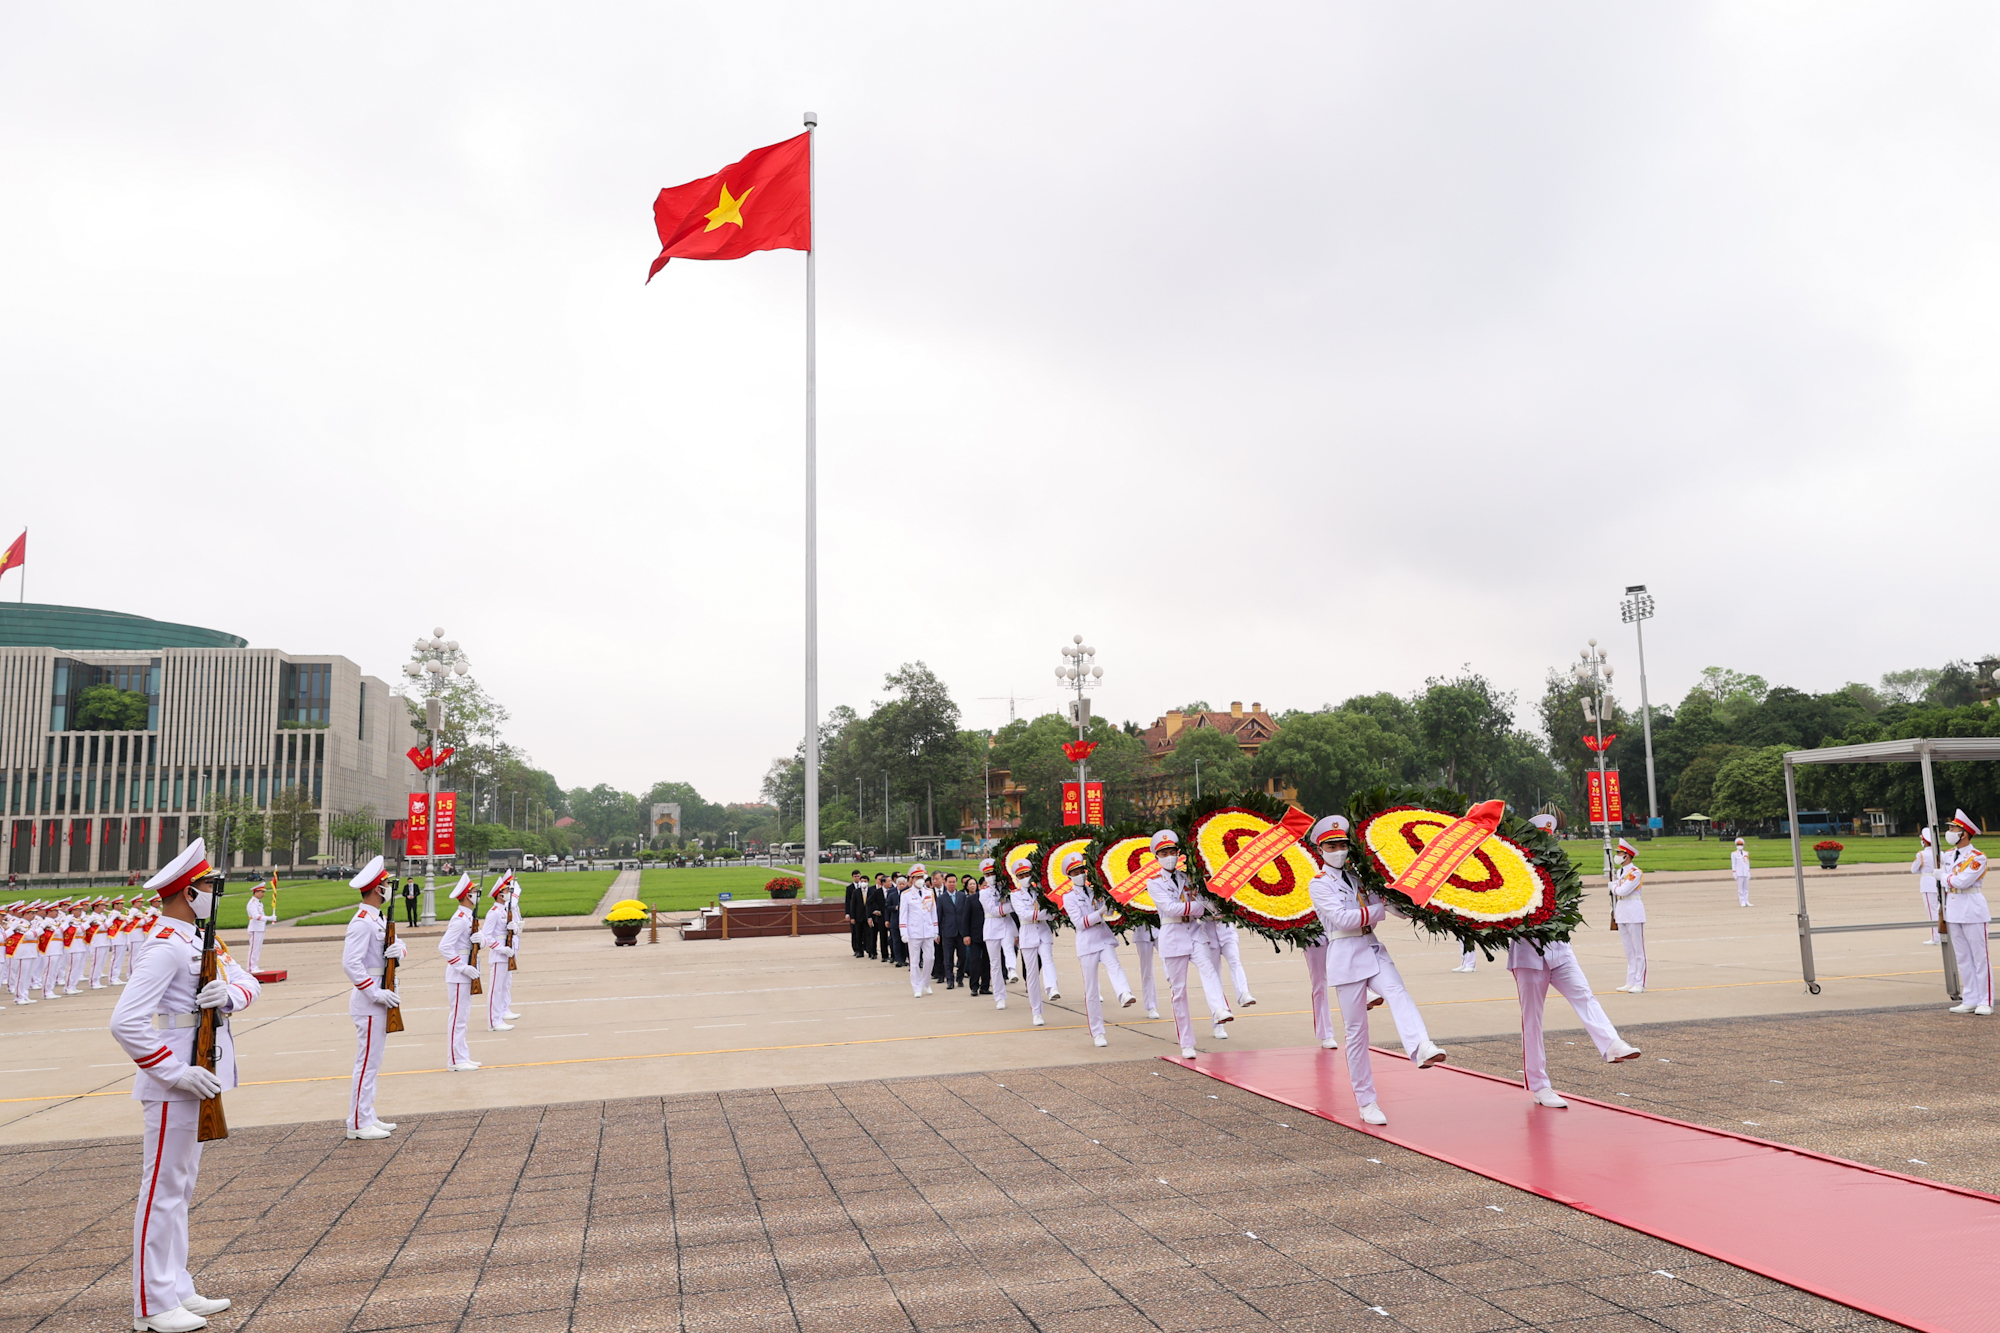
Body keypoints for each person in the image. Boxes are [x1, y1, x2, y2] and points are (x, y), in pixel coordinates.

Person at [109, 839, 261, 1331]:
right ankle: (151, 1305)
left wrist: (231, 994)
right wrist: (173, 1073)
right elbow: (126, 1022)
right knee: (161, 1189)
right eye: (212, 887)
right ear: (188, 892)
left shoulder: (204, 940)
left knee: (181, 1187)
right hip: (176, 1080)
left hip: (202, 1073)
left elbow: (250, 982)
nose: (218, 894)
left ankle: (176, 1286)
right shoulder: (165, 946)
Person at [1306, 815, 1446, 1126]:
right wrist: (1379, 909)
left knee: (1397, 992)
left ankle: (1421, 1047)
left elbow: (1388, 904)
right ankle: (1366, 1101)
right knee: (1357, 1035)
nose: (1339, 850)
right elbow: (1343, 919)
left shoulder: (1358, 878)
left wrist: (1417, 907)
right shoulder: (1318, 885)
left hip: (1372, 947)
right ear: (1320, 849)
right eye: (1332, 845)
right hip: (1345, 956)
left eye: (1343, 844)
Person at [1510, 815, 1641, 1107]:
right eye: (1542, 838)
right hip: (1528, 952)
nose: (1549, 843)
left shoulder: (1562, 870)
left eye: (1551, 837)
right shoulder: (1514, 870)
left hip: (1560, 949)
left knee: (1584, 994)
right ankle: (1540, 1086)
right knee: (1532, 1021)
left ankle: (1612, 1044)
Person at [340, 856, 407, 1141]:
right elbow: (350, 963)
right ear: (377, 889)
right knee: (366, 1062)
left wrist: (399, 950)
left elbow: (395, 944)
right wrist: (374, 992)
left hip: (382, 997)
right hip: (370, 1002)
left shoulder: (378, 919)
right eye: (386, 885)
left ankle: (366, 1114)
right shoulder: (362, 922)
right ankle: (356, 1122)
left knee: (373, 1063)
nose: (390, 888)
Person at [1150, 829, 1232, 1058]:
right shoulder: (1154, 883)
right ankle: (1186, 1042)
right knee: (1179, 992)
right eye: (1164, 852)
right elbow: (1171, 908)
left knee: (1209, 970)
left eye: (1172, 851)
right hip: (1173, 935)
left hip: (1194, 932)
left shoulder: (1187, 878)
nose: (1169, 856)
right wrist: (1198, 909)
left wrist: (1215, 910)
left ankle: (1219, 1009)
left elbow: (1202, 898)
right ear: (1157, 856)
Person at [1059, 850, 1135, 1047]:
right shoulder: (1069, 897)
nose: (1080, 875)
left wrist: (1109, 900)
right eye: (1075, 872)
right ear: (1069, 876)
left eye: (1081, 870)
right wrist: (1100, 912)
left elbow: (1108, 911)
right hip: (1086, 944)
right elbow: (1080, 922)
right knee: (1092, 990)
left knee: (1114, 965)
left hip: (1103, 938)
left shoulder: (1094, 891)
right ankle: (1098, 1032)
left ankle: (1124, 993)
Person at [1941, 810, 1990, 1015]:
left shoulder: (1977, 857)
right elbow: (1950, 881)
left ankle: (1985, 1000)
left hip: (1972, 908)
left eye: (1954, 828)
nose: (1950, 832)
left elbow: (1962, 881)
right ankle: (1969, 998)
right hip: (1953, 908)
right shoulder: (1948, 855)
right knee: (1962, 957)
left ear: (1965, 833)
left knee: (1980, 957)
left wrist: (1943, 877)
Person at [437, 874, 482, 1071]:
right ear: (466, 896)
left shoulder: (468, 917)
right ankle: (455, 1060)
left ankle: (463, 1055)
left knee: (463, 1017)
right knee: (457, 1018)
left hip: (468, 970)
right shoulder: (460, 919)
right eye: (473, 892)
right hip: (459, 974)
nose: (476, 895)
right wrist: (462, 967)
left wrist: (482, 939)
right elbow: (445, 946)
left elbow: (475, 944)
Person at [1008, 855, 1058, 1025]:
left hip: (1043, 931)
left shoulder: (1041, 891)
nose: (1025, 878)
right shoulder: (1015, 895)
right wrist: (1044, 914)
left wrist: (1046, 914)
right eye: (1021, 876)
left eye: (1027, 874)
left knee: (1048, 959)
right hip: (1028, 933)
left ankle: (1052, 988)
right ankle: (1036, 1012)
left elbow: (1053, 911)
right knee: (1032, 974)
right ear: (1017, 878)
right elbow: (1024, 914)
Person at [977, 859, 1015, 1009]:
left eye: (993, 873)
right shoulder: (984, 893)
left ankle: (1012, 970)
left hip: (1006, 923)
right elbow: (993, 910)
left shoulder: (1005, 888)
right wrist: (1012, 906)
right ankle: (999, 996)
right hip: (992, 925)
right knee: (995, 964)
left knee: (1009, 948)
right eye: (988, 874)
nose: (991, 876)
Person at [1610, 838, 1646, 993]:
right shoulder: (1620, 872)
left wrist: (1613, 887)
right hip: (1622, 909)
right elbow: (1620, 890)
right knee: (1628, 949)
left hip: (1633, 909)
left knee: (1638, 949)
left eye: (1620, 853)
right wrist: (1616, 887)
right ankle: (1630, 980)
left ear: (1627, 855)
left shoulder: (1635, 872)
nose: (1617, 855)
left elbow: (1623, 890)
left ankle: (1640, 982)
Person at [483, 875, 519, 1029]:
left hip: (508, 953)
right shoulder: (494, 912)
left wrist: (514, 928)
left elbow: (514, 929)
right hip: (499, 955)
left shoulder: (504, 910)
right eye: (506, 890)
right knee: (495, 989)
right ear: (499, 894)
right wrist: (500, 948)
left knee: (504, 986)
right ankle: (494, 1021)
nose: (508, 892)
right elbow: (486, 935)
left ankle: (502, 1012)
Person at [898, 864, 939, 997]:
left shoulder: (929, 892)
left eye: (922, 876)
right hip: (914, 932)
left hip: (928, 930)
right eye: (917, 877)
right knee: (914, 961)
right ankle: (916, 987)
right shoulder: (906, 894)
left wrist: (935, 930)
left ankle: (925, 982)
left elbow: (933, 912)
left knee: (930, 958)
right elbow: (903, 915)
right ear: (912, 879)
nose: (920, 879)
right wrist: (903, 932)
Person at [1206, 912, 1257, 1010]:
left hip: (1228, 933)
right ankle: (1219, 1011)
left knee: (1235, 961)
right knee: (1214, 973)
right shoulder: (1198, 896)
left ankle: (1244, 994)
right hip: (1209, 936)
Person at [958, 876, 989, 996]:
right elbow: (965, 919)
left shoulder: (992, 898)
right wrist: (966, 935)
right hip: (975, 935)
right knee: (975, 961)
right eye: (984, 885)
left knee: (987, 961)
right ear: (980, 886)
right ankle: (974, 986)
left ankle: (985, 986)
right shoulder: (972, 899)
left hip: (989, 935)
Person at [936, 871, 967, 989]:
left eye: (954, 882)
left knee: (963, 956)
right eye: (950, 882)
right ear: (945, 883)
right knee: (948, 957)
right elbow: (938, 916)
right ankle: (950, 980)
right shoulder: (941, 898)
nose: (952, 884)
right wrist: (938, 933)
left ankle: (960, 978)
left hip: (961, 932)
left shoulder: (962, 896)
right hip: (948, 932)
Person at [1913, 827, 1942, 945]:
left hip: (1927, 883)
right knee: (1941, 910)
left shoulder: (1922, 854)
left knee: (1932, 912)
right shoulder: (1941, 853)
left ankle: (1936, 937)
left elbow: (1914, 869)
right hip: (1940, 882)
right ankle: (1942, 934)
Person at [245, 882, 269, 972]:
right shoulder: (252, 903)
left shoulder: (259, 903)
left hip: (260, 927)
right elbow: (255, 916)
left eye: (263, 892)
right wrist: (268, 918)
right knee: (253, 948)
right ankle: (250, 967)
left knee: (257, 948)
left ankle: (255, 965)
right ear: (255, 892)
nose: (262, 894)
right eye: (260, 892)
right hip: (255, 927)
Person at [884, 874, 908, 966]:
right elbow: (887, 906)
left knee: (904, 942)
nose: (902, 886)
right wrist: (895, 907)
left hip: (905, 922)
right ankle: (898, 959)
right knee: (896, 941)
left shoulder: (908, 894)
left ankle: (904, 958)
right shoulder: (892, 894)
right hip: (895, 921)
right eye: (900, 884)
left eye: (903, 884)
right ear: (897, 885)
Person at [864, 873, 888, 961]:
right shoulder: (872, 890)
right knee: (873, 935)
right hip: (875, 916)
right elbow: (868, 903)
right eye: (879, 879)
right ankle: (873, 952)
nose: (880, 881)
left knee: (884, 936)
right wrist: (870, 914)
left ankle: (885, 955)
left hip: (884, 916)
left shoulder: (890, 890)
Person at [844, 871, 869, 958]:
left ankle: (866, 948)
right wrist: (848, 914)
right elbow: (849, 902)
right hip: (856, 914)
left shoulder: (869, 889)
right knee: (856, 933)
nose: (857, 878)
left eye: (858, 876)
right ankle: (857, 949)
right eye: (855, 876)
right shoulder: (850, 888)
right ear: (852, 877)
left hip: (865, 915)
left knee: (866, 933)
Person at [1731, 837, 1753, 908]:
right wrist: (1734, 872)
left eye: (1741, 844)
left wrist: (1749, 872)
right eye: (1738, 844)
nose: (1740, 846)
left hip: (1745, 872)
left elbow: (1747, 863)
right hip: (1739, 873)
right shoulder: (1734, 854)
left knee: (1746, 888)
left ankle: (1747, 901)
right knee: (1740, 888)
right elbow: (1733, 864)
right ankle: (1742, 901)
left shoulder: (1746, 853)